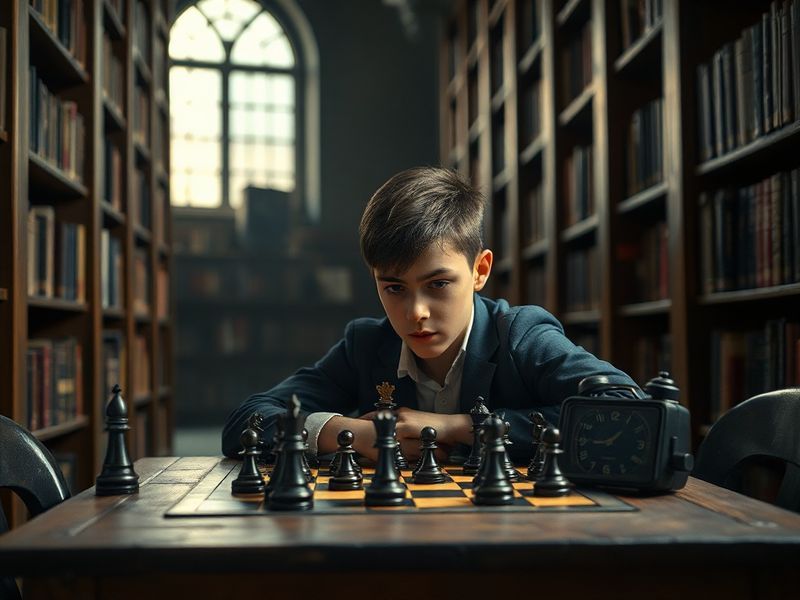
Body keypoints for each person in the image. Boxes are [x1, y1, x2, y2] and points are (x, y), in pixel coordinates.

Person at [222, 167, 640, 462]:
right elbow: (246, 420)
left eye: (438, 284)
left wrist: (456, 426)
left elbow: (625, 411)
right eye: (394, 288)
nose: (415, 312)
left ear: (480, 271)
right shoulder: (366, 345)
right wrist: (356, 435)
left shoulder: (521, 335)